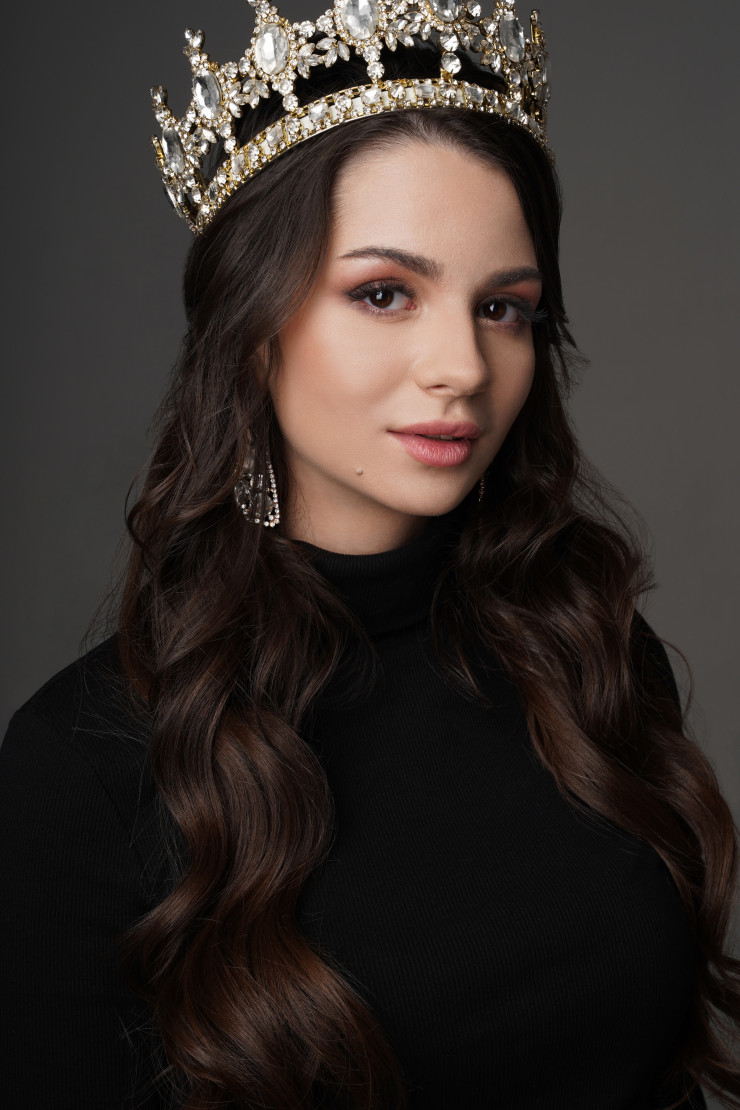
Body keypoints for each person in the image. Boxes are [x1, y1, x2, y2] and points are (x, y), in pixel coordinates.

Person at [1, 2, 738, 1107]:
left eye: (503, 308)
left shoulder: (586, 656)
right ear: (254, 327)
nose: (462, 367)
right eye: (384, 294)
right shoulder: (84, 767)